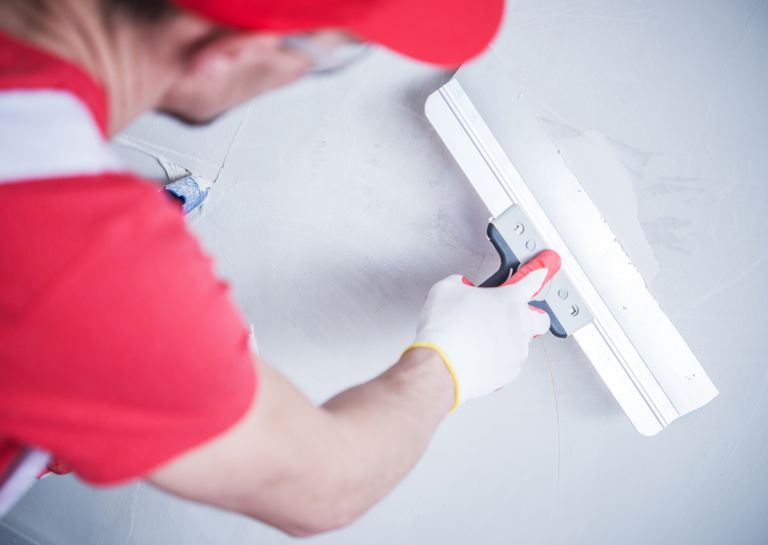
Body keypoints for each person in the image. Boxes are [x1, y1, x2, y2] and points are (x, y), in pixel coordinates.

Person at [0, 0, 561, 536]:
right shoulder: (80, 255)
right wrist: (453, 363)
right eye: (327, 53)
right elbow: (323, 485)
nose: (298, 76)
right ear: (228, 50)